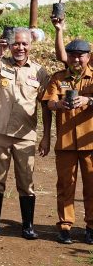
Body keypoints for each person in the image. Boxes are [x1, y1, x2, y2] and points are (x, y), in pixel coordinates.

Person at [0, 28, 50, 240]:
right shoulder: (1, 63)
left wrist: (46, 136)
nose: (20, 48)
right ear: (10, 45)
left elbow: (46, 107)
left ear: (31, 45)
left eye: (24, 44)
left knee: (26, 180)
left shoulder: (39, 72)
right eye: (16, 44)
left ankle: (27, 226)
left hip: (25, 134)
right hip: (0, 132)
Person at [43, 39, 93, 245]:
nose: (76, 59)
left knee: (92, 186)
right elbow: (49, 102)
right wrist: (59, 104)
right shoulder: (58, 78)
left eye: (81, 55)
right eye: (72, 55)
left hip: (90, 142)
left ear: (88, 57)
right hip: (65, 143)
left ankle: (91, 226)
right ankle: (65, 226)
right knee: (65, 185)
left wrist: (88, 100)